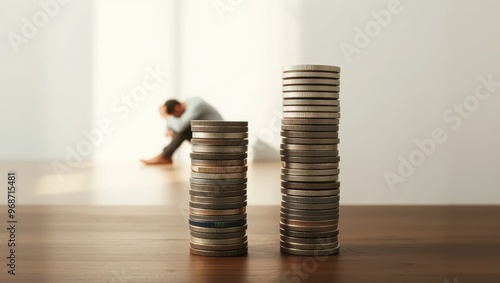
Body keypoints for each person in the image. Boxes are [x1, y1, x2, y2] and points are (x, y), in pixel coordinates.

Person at [141, 97, 223, 165]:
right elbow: (178, 123)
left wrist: (165, 115)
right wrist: (170, 128)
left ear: (177, 107)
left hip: (219, 139)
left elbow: (180, 126)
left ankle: (165, 156)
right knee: (181, 128)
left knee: (182, 130)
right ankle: (166, 156)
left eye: (174, 115)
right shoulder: (186, 106)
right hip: (208, 137)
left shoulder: (196, 105)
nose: (176, 118)